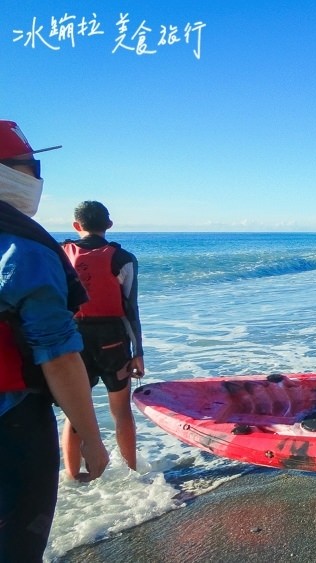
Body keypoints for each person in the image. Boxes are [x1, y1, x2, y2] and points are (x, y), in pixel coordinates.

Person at [0, 120, 109, 561]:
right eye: (31, 166)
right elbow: (59, 357)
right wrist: (90, 437)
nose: (37, 179)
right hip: (13, 424)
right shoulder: (24, 250)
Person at [61, 201, 145, 476]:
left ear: (76, 225)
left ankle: (74, 477)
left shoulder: (61, 254)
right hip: (113, 341)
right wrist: (138, 352)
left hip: (73, 341)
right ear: (109, 225)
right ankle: (132, 474)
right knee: (121, 411)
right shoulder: (122, 258)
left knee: (74, 414)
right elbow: (130, 309)